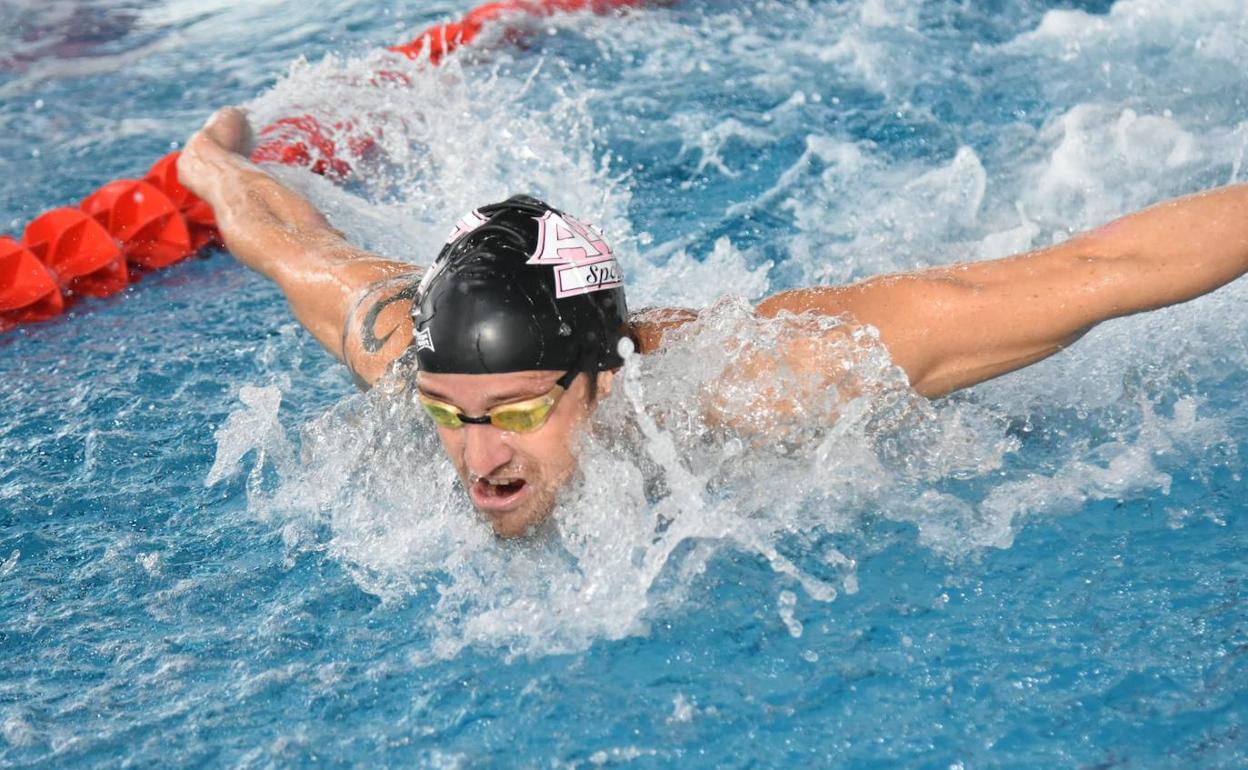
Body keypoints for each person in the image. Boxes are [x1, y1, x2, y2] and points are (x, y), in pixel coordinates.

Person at [178, 107, 1248, 537]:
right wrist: (212, 159)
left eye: (512, 411)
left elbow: (1098, 271)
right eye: (449, 411)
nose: (476, 455)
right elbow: (283, 238)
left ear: (599, 376)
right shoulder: (406, 349)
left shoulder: (762, 379)